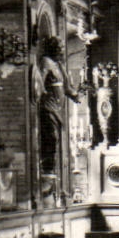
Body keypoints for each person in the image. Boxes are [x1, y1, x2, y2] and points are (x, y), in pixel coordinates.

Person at [34, 36, 81, 187]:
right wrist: (41, 95)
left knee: (55, 139)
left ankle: (51, 170)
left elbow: (66, 86)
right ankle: (47, 170)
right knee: (51, 138)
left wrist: (75, 95)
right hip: (48, 106)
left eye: (61, 48)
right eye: (58, 48)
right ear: (51, 48)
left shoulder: (58, 64)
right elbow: (39, 82)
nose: (61, 50)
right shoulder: (46, 62)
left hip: (58, 109)